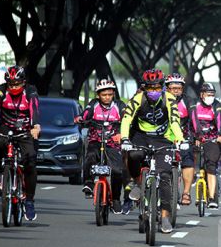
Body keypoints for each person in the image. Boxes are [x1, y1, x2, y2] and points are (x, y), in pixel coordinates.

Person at [120, 69, 186, 233]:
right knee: (134, 155)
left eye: (157, 88)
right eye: (150, 88)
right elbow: (126, 119)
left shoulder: (169, 99)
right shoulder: (138, 99)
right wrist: (124, 138)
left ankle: (164, 217)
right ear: (145, 88)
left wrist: (180, 139)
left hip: (163, 138)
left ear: (162, 87)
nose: (154, 91)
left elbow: (175, 121)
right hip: (141, 137)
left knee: (164, 176)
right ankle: (138, 182)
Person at [0, 65, 41, 221]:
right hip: (6, 126)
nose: (14, 87)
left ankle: (29, 201)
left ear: (24, 82)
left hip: (26, 129)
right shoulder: (1, 91)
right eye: (11, 84)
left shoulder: (30, 91)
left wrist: (35, 126)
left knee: (30, 162)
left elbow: (34, 109)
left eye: (17, 84)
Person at [75, 79, 126, 214]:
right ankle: (88, 184)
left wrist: (121, 134)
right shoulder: (93, 105)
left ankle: (115, 199)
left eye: (110, 94)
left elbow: (127, 119)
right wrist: (80, 118)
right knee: (90, 158)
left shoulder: (119, 105)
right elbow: (85, 114)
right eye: (104, 95)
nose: (107, 97)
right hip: (95, 140)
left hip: (112, 143)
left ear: (113, 94)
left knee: (117, 171)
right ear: (98, 95)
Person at [190, 83, 221, 209]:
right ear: (201, 94)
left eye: (212, 94)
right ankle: (190, 183)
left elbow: (220, 120)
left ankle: (212, 197)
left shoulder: (216, 105)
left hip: (212, 139)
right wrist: (196, 136)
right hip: (195, 137)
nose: (210, 97)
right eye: (208, 94)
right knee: (188, 158)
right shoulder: (195, 105)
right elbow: (193, 121)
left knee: (211, 165)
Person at [164, 73, 195, 207]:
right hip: (164, 137)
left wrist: (198, 135)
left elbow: (194, 120)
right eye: (173, 87)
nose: (176, 90)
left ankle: (186, 192)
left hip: (183, 137)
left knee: (188, 161)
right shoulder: (161, 100)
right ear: (166, 88)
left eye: (179, 88)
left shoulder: (188, 101)